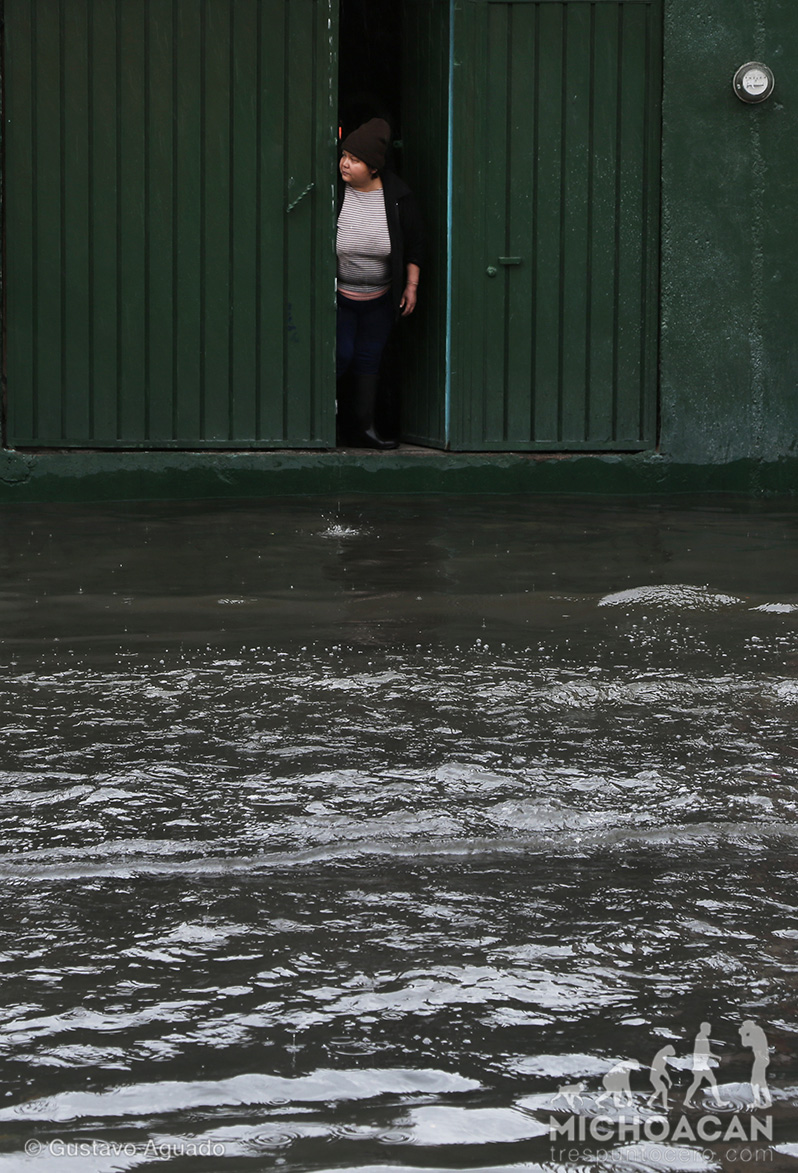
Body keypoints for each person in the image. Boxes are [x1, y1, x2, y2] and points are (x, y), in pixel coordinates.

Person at [336, 118, 422, 449]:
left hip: (380, 300)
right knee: (341, 354)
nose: (345, 163)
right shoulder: (335, 192)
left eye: (355, 160)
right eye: (344, 155)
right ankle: (332, 423)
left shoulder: (398, 196)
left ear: (373, 168)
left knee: (369, 359)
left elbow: (415, 244)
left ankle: (363, 429)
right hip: (340, 299)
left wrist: (411, 286)